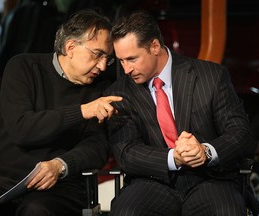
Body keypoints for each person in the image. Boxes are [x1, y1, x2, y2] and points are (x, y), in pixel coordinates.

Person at [105, 10, 257, 216]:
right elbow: (127, 153)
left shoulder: (211, 75)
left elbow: (241, 134)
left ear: (155, 46)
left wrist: (206, 151)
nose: (126, 69)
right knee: (127, 211)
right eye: (121, 61)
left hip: (211, 180)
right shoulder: (118, 93)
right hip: (151, 182)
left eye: (132, 59)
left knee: (226, 210)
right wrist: (173, 158)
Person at [0, 9, 122, 216]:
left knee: (37, 210)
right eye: (97, 54)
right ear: (70, 47)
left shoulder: (100, 88)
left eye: (108, 58)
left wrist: (61, 165)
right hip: (1, 182)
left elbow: (97, 146)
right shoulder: (23, 67)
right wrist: (82, 111)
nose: (103, 66)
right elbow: (21, 128)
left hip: (60, 188)